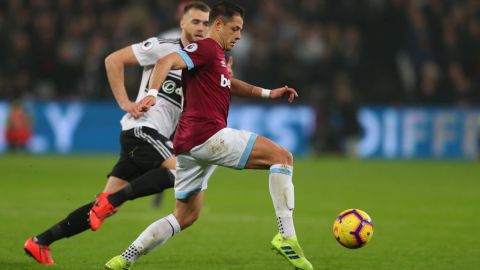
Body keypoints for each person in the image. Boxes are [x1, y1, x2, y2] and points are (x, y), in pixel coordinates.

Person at [104, 2, 313, 270]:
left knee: (186, 215)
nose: (239, 35)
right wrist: (152, 95)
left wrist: (267, 93)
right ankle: (286, 236)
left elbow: (229, 82)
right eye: (234, 29)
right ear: (218, 25)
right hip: (208, 135)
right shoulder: (205, 48)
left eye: (241, 30)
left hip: (189, 146)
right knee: (282, 157)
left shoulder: (216, 57)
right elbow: (167, 60)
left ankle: (124, 258)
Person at [23, 1, 211, 266]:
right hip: (143, 130)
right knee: (182, 173)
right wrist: (124, 103)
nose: (201, 27)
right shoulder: (163, 47)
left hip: (152, 137)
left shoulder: (202, 62)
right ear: (182, 23)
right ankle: (109, 201)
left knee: (106, 208)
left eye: (205, 22)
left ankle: (41, 241)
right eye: (195, 21)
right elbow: (113, 59)